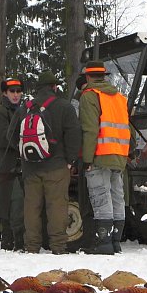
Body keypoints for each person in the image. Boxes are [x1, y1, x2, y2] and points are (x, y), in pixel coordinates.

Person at [23, 71, 81, 255]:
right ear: (54, 87)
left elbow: (11, 135)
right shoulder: (64, 107)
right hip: (57, 166)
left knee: (31, 207)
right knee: (56, 206)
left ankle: (32, 246)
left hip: (30, 167)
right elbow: (74, 135)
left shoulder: (25, 108)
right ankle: (58, 246)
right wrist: (70, 161)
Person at [79, 62, 130, 255]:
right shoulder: (119, 98)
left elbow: (90, 130)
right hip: (119, 155)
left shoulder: (90, 96)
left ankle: (104, 243)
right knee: (117, 197)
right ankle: (116, 242)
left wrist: (87, 159)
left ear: (88, 77)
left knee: (101, 196)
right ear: (104, 76)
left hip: (100, 155)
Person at [0, 77, 26, 250]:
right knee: (12, 204)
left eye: (18, 91)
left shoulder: (21, 111)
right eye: (12, 91)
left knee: (16, 204)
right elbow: (3, 139)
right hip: (5, 166)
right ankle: (13, 241)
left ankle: (13, 240)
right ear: (4, 93)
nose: (16, 95)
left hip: (16, 165)